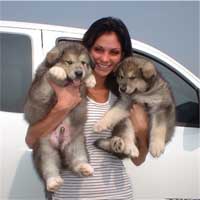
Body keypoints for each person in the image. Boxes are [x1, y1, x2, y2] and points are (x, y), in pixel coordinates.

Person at [25, 16, 149, 200]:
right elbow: (31, 140)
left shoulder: (125, 96)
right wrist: (61, 107)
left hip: (119, 194)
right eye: (98, 49)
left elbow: (138, 160)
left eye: (114, 52)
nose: (105, 58)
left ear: (122, 56)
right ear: (86, 49)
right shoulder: (60, 86)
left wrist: (141, 130)